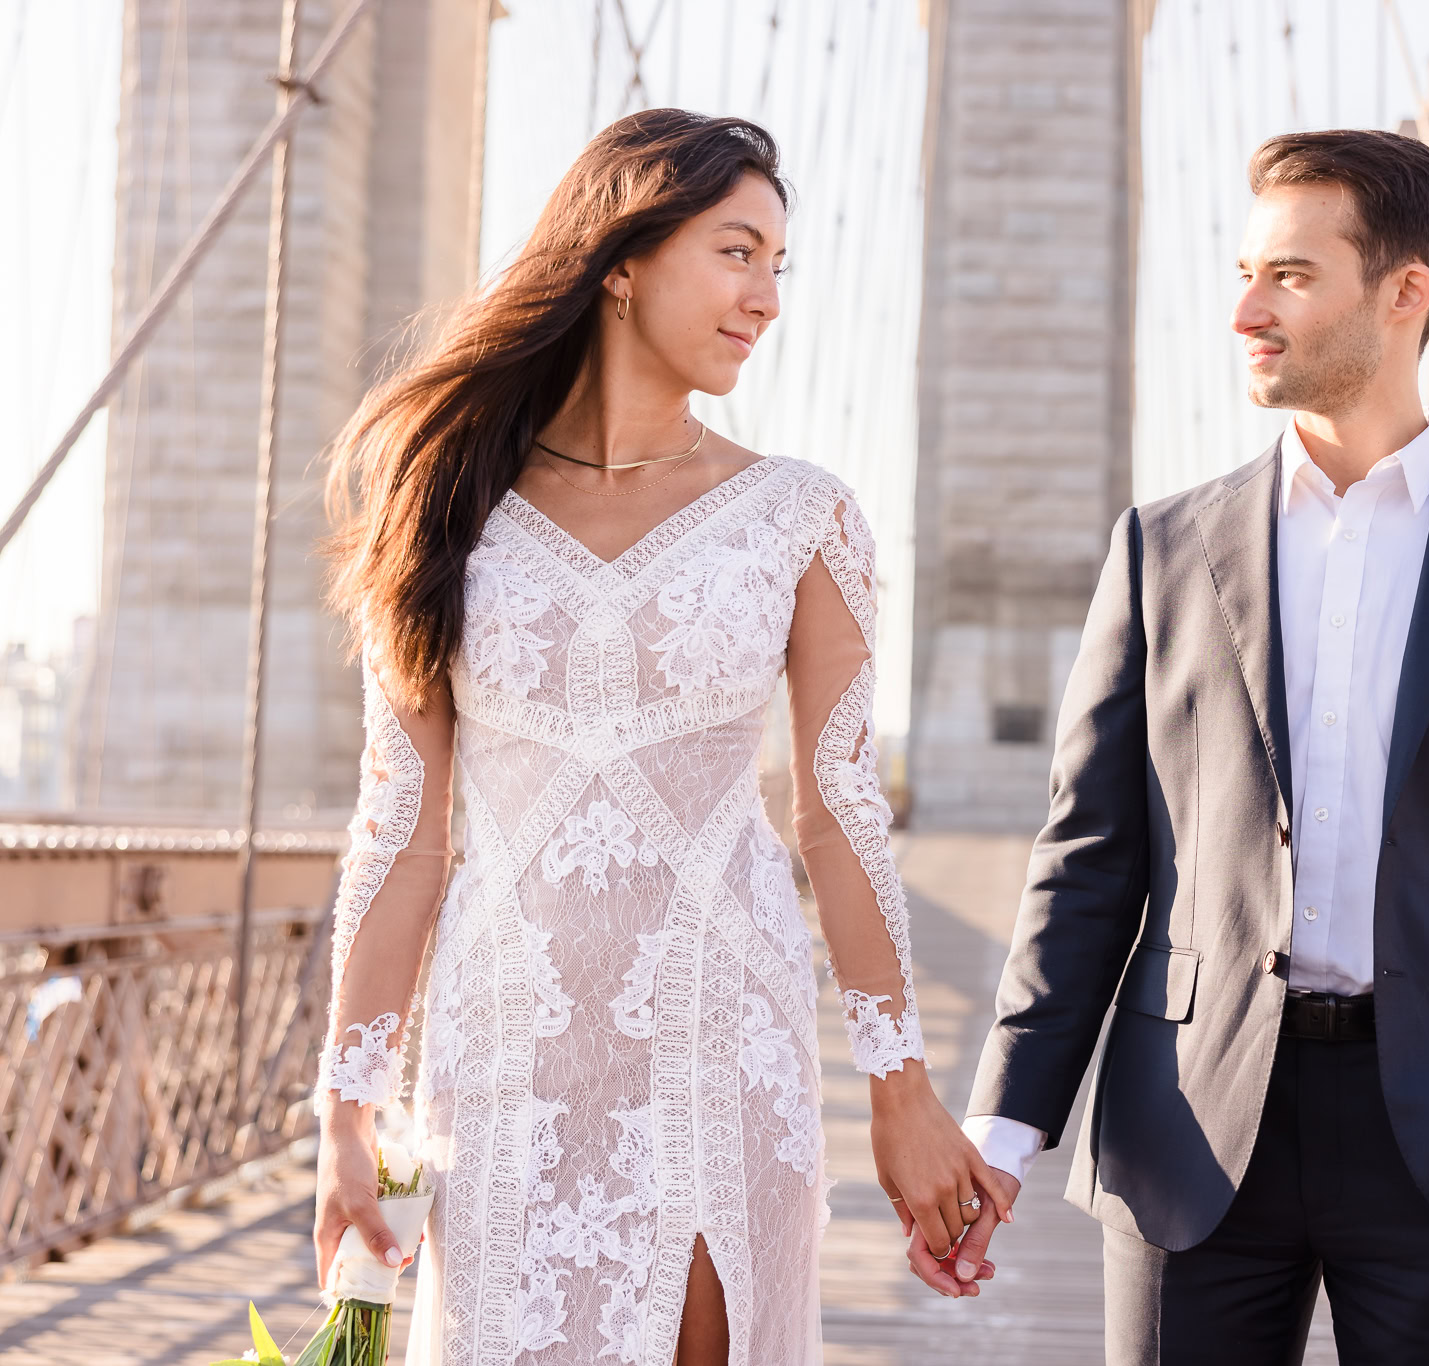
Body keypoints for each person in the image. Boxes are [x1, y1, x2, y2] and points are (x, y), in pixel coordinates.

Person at [938, 129, 1429, 1365]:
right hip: (1185, 1130)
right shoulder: (1159, 547)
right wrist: (1004, 1126)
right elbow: (1090, 858)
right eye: (1241, 270)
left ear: (1404, 292)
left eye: (1286, 275)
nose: (1241, 310)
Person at [312, 110, 1008, 1366]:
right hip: (501, 1055)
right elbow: (400, 829)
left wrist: (897, 1085)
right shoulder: (443, 502)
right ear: (620, 257)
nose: (766, 298)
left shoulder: (801, 518)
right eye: (737, 252)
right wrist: (347, 1103)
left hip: (714, 1043)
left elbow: (836, 815)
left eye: (779, 267)